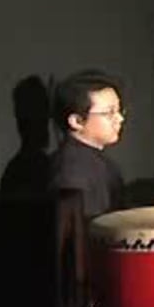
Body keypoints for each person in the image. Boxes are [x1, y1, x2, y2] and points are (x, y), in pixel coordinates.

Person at [48, 70, 127, 219]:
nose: (120, 118)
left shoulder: (97, 162)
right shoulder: (71, 171)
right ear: (77, 121)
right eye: (109, 113)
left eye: (119, 110)